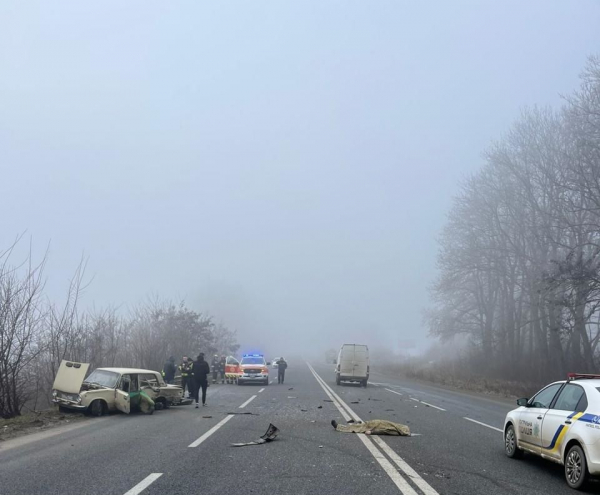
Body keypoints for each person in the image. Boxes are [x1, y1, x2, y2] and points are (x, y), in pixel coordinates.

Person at [330, 419, 410, 436]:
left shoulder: (395, 430)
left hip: (374, 425)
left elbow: (384, 431)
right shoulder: (396, 427)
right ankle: (340, 426)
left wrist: (371, 432)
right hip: (375, 423)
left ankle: (338, 427)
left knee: (358, 428)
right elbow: (385, 429)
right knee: (359, 426)